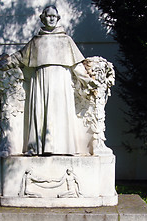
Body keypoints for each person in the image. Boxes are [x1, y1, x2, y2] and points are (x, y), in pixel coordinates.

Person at [5, 5, 94, 155]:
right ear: (43, 18)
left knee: (60, 112)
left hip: (61, 80)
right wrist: (5, 61)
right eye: (48, 15)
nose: (52, 18)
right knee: (40, 112)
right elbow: (20, 57)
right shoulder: (36, 41)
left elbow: (76, 64)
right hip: (40, 80)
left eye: (54, 16)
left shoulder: (66, 40)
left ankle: (63, 148)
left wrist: (87, 79)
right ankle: (36, 147)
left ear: (58, 19)